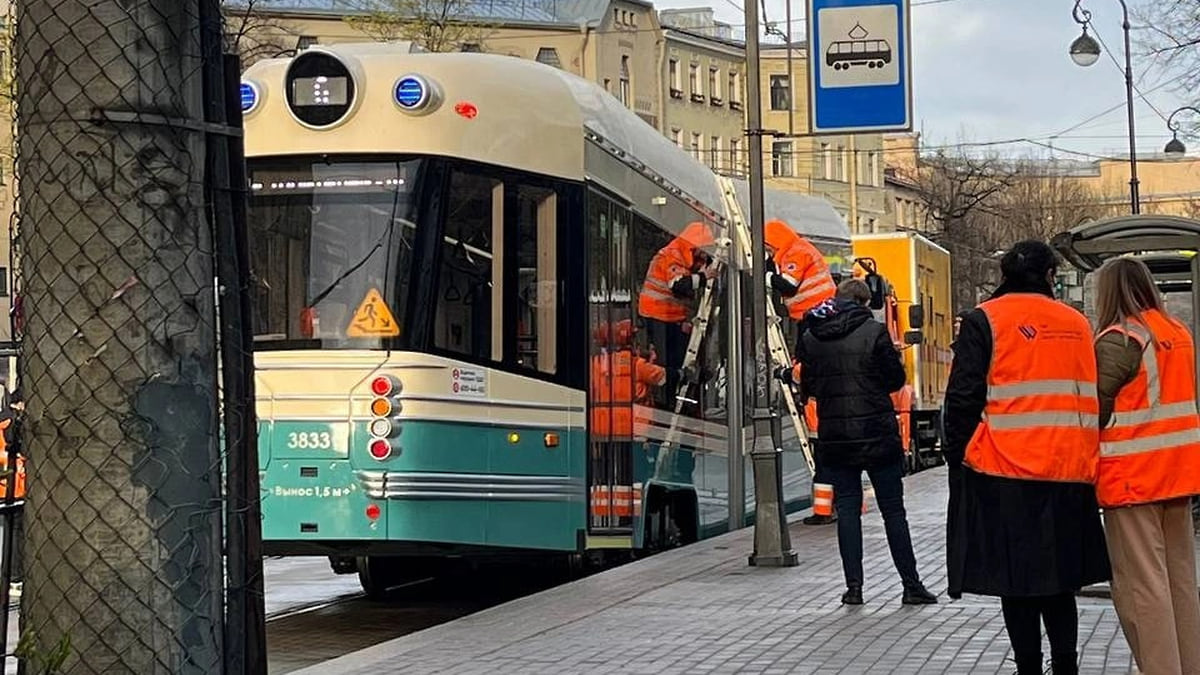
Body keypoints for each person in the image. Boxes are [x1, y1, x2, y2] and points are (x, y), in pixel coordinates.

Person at [943, 240, 1110, 675]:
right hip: (1071, 470)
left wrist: (959, 455)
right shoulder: (1076, 323)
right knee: (1060, 582)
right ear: (1051, 277)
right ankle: (1067, 665)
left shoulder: (985, 321)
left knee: (1016, 583)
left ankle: (1029, 667)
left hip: (1006, 471)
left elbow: (962, 397)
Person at [787, 278, 937, 606]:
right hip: (877, 434)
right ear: (866, 303)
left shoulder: (813, 337)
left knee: (848, 511)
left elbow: (808, 386)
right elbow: (895, 379)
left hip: (836, 438)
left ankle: (854, 589)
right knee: (893, 512)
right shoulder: (874, 333)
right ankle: (911, 585)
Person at [1092, 257, 1200, 675]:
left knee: (1143, 590)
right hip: (1179, 474)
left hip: (1133, 480)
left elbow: (1093, 411)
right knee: (1179, 585)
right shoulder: (1177, 332)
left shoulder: (1120, 339)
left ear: (1110, 291)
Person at [637, 221, 718, 404]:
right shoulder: (673, 255)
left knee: (679, 356)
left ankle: (681, 394)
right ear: (695, 245)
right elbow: (678, 284)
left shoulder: (686, 257)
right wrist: (704, 277)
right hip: (657, 314)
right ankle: (668, 400)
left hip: (670, 316)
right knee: (669, 360)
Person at [764, 219, 837, 326]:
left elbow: (788, 286)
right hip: (818, 308)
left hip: (814, 309)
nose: (770, 253)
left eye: (769, 249)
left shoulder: (795, 253)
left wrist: (765, 276)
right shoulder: (798, 248)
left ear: (775, 243)